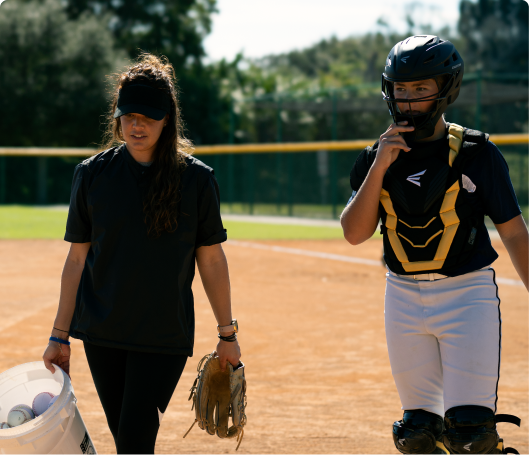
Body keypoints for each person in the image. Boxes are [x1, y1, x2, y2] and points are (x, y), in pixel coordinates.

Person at [42, 53, 241, 454]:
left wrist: (227, 334)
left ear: (168, 118)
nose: (137, 124)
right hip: (102, 332)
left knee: (134, 439)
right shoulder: (91, 175)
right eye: (128, 114)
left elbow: (212, 260)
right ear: (117, 116)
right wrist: (59, 336)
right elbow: (76, 260)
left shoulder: (197, 180)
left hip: (162, 334)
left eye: (148, 116)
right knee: (128, 442)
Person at [341, 35, 527, 455]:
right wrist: (381, 164)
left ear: (446, 89)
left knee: (470, 436)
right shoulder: (375, 156)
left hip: (467, 297)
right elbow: (354, 232)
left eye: (420, 89)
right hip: (402, 299)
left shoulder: (478, 153)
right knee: (418, 435)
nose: (408, 101)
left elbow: (514, 232)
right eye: (400, 89)